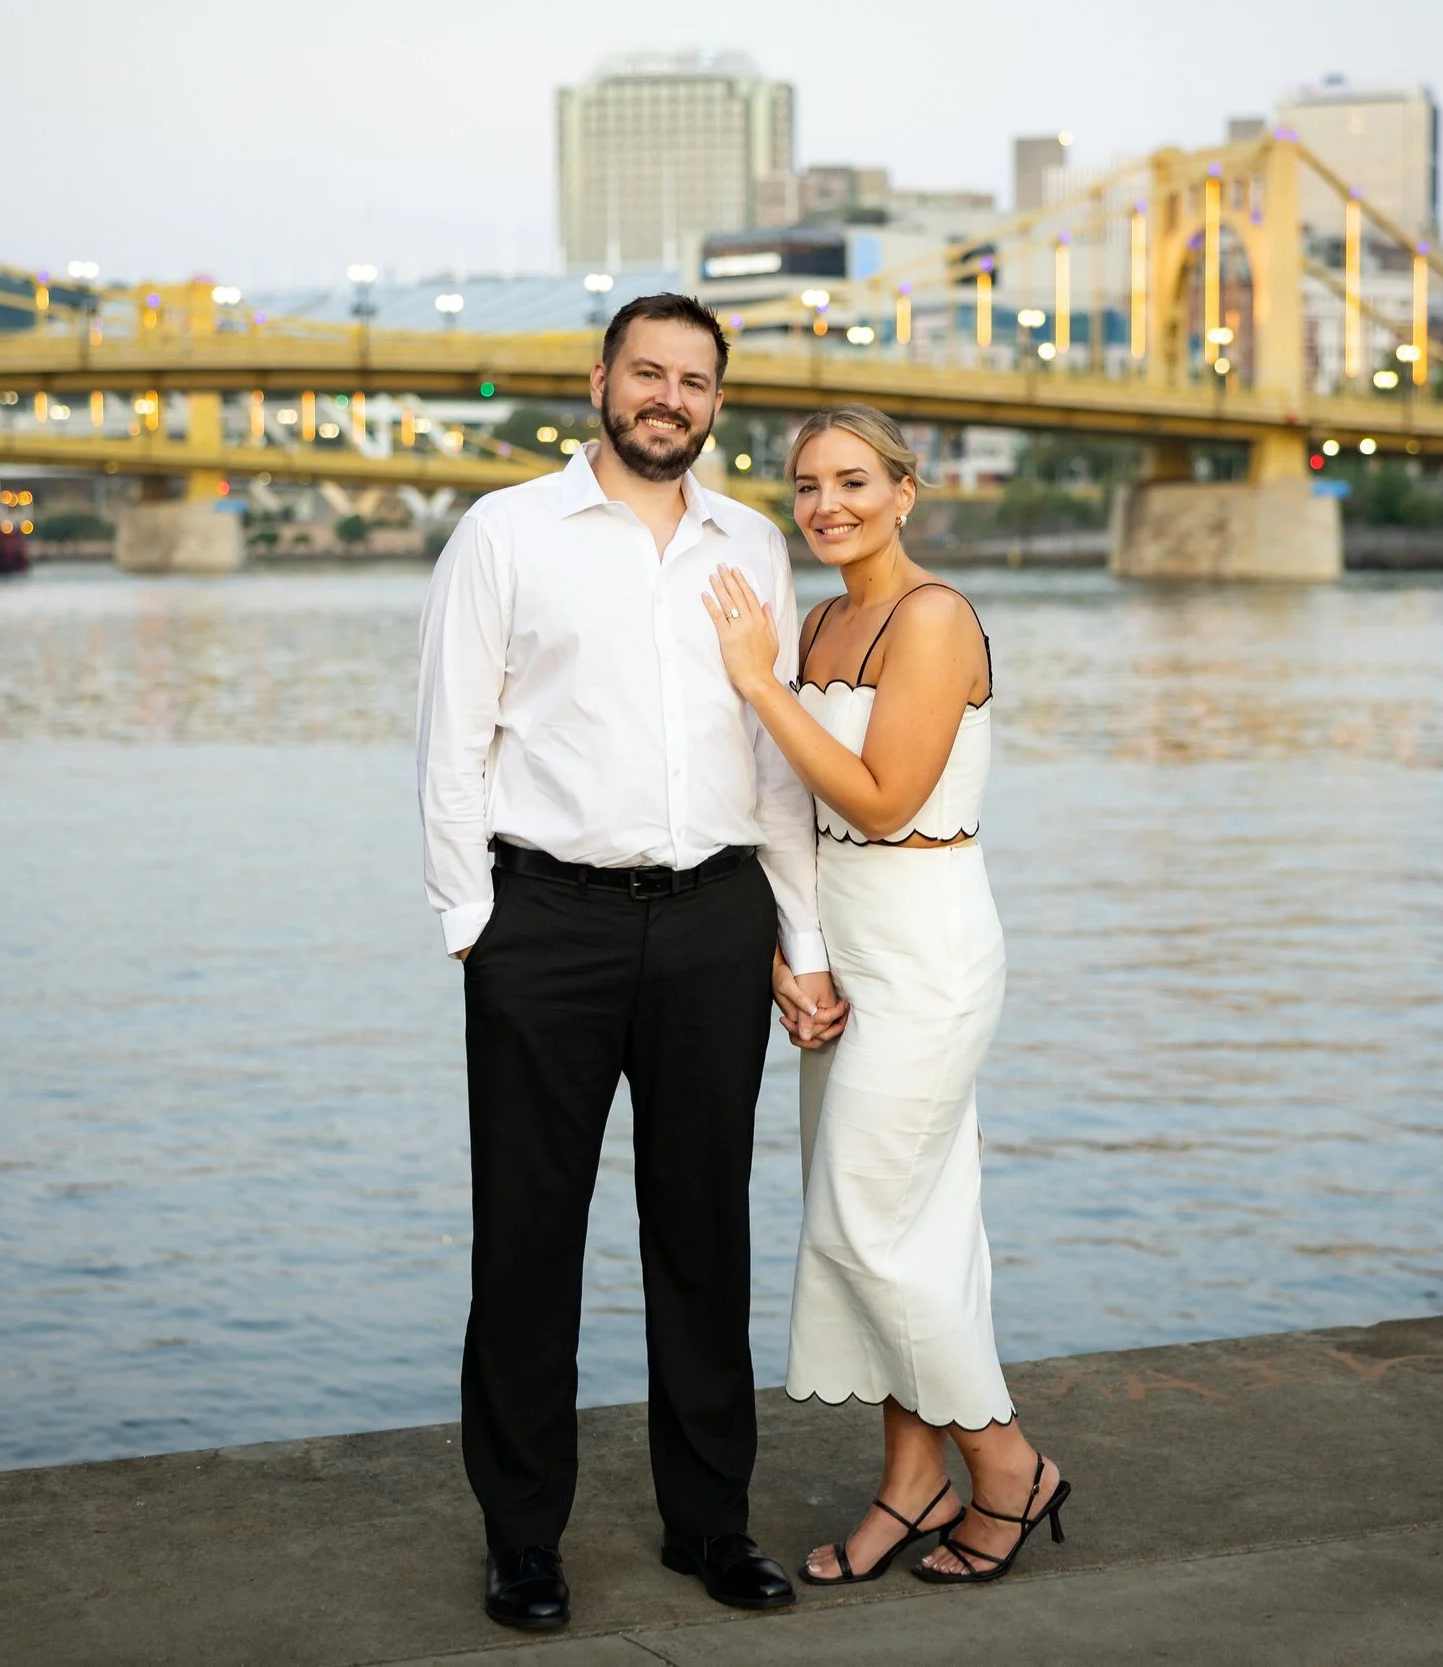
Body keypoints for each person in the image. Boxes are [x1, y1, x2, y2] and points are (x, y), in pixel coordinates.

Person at [416, 293, 846, 1631]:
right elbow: (452, 742)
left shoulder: (754, 544)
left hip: (715, 923)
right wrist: (472, 924)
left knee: (704, 1231)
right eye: (647, 372)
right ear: (597, 379)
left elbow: (774, 762)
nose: (669, 397)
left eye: (695, 380)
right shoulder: (505, 534)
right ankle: (523, 1540)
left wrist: (800, 936)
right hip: (547, 925)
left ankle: (709, 1522)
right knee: (529, 1240)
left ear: (718, 400)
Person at [698, 403, 1072, 1588]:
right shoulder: (820, 617)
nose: (826, 506)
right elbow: (797, 818)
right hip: (845, 950)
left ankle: (1005, 1466)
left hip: (929, 947)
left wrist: (759, 687)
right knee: (916, 1219)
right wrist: (790, 950)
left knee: (859, 1217)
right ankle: (911, 1485)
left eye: (853, 480)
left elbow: (877, 799)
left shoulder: (934, 617)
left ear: (905, 490)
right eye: (806, 486)